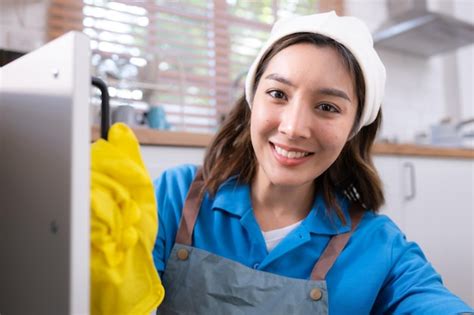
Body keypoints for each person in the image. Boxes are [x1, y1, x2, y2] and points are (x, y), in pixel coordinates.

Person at [149, 11, 473, 314]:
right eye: (278, 94)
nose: (293, 127)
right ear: (252, 100)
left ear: (353, 129)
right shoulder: (175, 197)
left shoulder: (380, 248)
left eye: (328, 107)